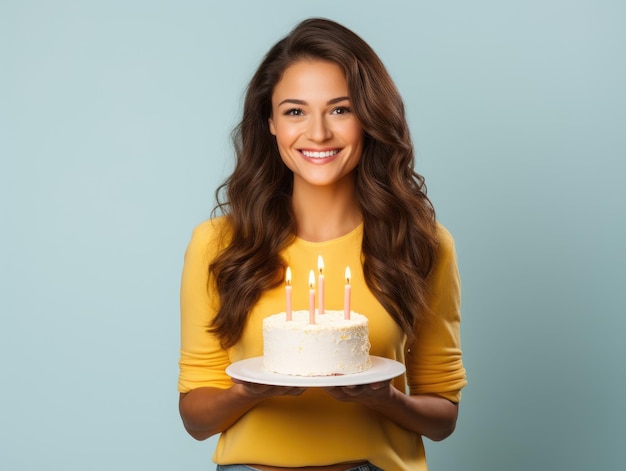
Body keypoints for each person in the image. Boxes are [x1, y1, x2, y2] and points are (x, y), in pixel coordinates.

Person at [178, 18, 467, 471]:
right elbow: (195, 419)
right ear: (270, 122)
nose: (317, 134)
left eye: (340, 109)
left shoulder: (421, 243)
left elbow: (442, 415)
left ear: (369, 118)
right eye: (295, 111)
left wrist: (385, 399)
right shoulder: (218, 245)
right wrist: (247, 391)